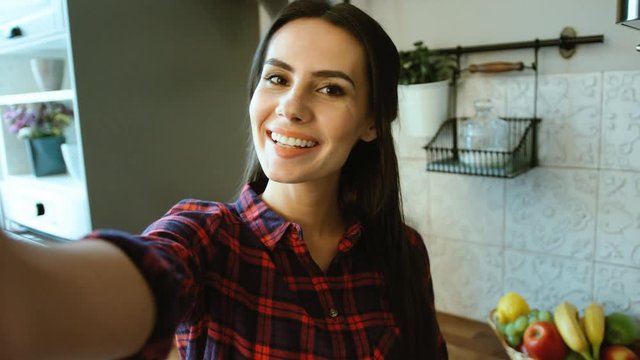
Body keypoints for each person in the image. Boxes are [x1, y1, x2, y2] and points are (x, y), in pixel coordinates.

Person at [0, 1, 448, 359]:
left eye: (331, 88)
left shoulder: (402, 253)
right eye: (277, 78)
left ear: (371, 122)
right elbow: (100, 289)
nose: (291, 106)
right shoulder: (207, 240)